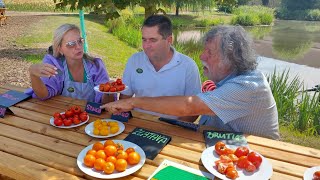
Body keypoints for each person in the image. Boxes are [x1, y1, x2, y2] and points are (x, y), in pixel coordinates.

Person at [102, 25, 280, 140]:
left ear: (230, 59)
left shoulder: (248, 86)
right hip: (221, 148)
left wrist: (133, 102)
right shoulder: (226, 78)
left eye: (209, 52)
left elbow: (188, 107)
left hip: (257, 160)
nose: (202, 56)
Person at [120, 15, 201, 120]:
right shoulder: (134, 60)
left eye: (153, 40)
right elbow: (124, 98)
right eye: (144, 40)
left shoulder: (188, 66)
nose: (146, 46)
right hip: (138, 123)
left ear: (169, 40)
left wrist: (173, 130)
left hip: (172, 128)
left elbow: (194, 110)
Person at [25, 24, 114, 103]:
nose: (78, 47)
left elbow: (106, 104)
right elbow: (44, 95)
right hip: (64, 116)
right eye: (71, 44)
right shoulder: (55, 66)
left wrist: (108, 91)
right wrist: (33, 75)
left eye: (80, 41)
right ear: (59, 49)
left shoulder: (96, 66)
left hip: (92, 117)